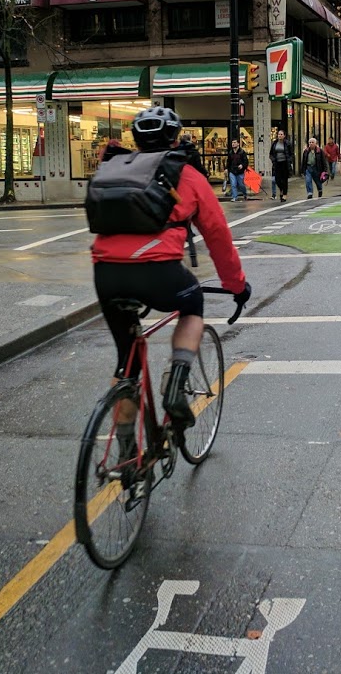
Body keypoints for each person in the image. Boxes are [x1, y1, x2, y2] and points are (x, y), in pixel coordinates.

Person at [91, 106, 250, 435]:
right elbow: (218, 235)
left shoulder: (115, 168)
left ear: (135, 140)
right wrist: (236, 285)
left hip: (105, 273)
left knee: (127, 363)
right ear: (175, 138)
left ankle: (124, 458)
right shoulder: (186, 174)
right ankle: (176, 386)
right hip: (158, 271)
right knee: (192, 305)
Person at [268, 129, 294, 202]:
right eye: (279, 134)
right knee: (277, 179)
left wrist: (290, 160)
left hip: (285, 163)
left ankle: (284, 195)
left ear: (284, 135)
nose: (280, 135)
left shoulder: (287, 143)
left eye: (281, 134)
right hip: (277, 164)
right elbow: (271, 154)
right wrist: (273, 160)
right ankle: (281, 189)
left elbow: (291, 154)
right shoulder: (274, 143)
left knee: (284, 180)